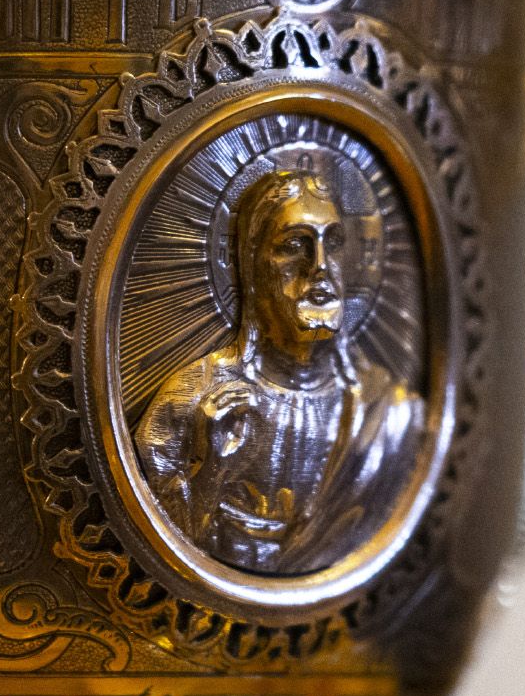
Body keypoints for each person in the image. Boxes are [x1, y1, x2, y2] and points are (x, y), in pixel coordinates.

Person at [133, 169, 422, 575]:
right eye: (294, 245)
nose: (319, 266)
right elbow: (153, 555)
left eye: (332, 243)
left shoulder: (385, 411)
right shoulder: (194, 401)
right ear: (254, 268)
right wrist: (209, 469)